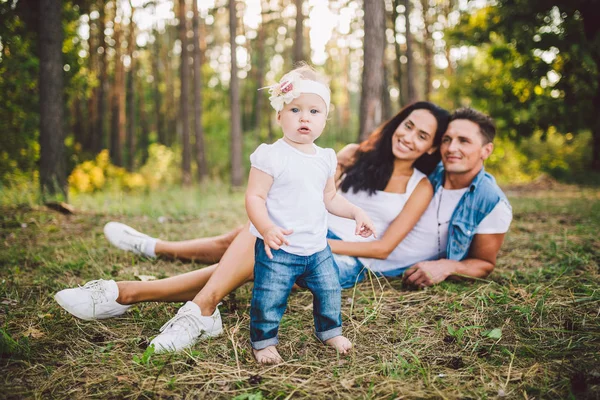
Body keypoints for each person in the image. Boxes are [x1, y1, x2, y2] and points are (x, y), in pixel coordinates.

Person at [55, 104, 512, 356]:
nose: (412, 137)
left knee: (258, 246)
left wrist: (322, 238)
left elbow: (394, 245)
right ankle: (153, 256)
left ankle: (132, 293)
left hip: (344, 252)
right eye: (408, 126)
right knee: (251, 234)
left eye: (428, 136)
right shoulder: (356, 156)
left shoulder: (426, 186)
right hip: (313, 230)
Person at [244, 66, 375, 363]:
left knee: (329, 289)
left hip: (317, 247)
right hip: (279, 247)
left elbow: (329, 198)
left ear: (324, 120)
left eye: (315, 111)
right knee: (270, 295)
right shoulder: (270, 155)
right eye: (295, 110)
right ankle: (264, 340)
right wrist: (265, 228)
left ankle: (329, 330)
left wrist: (355, 211)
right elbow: (255, 196)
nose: (305, 117)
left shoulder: (326, 158)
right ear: (279, 115)